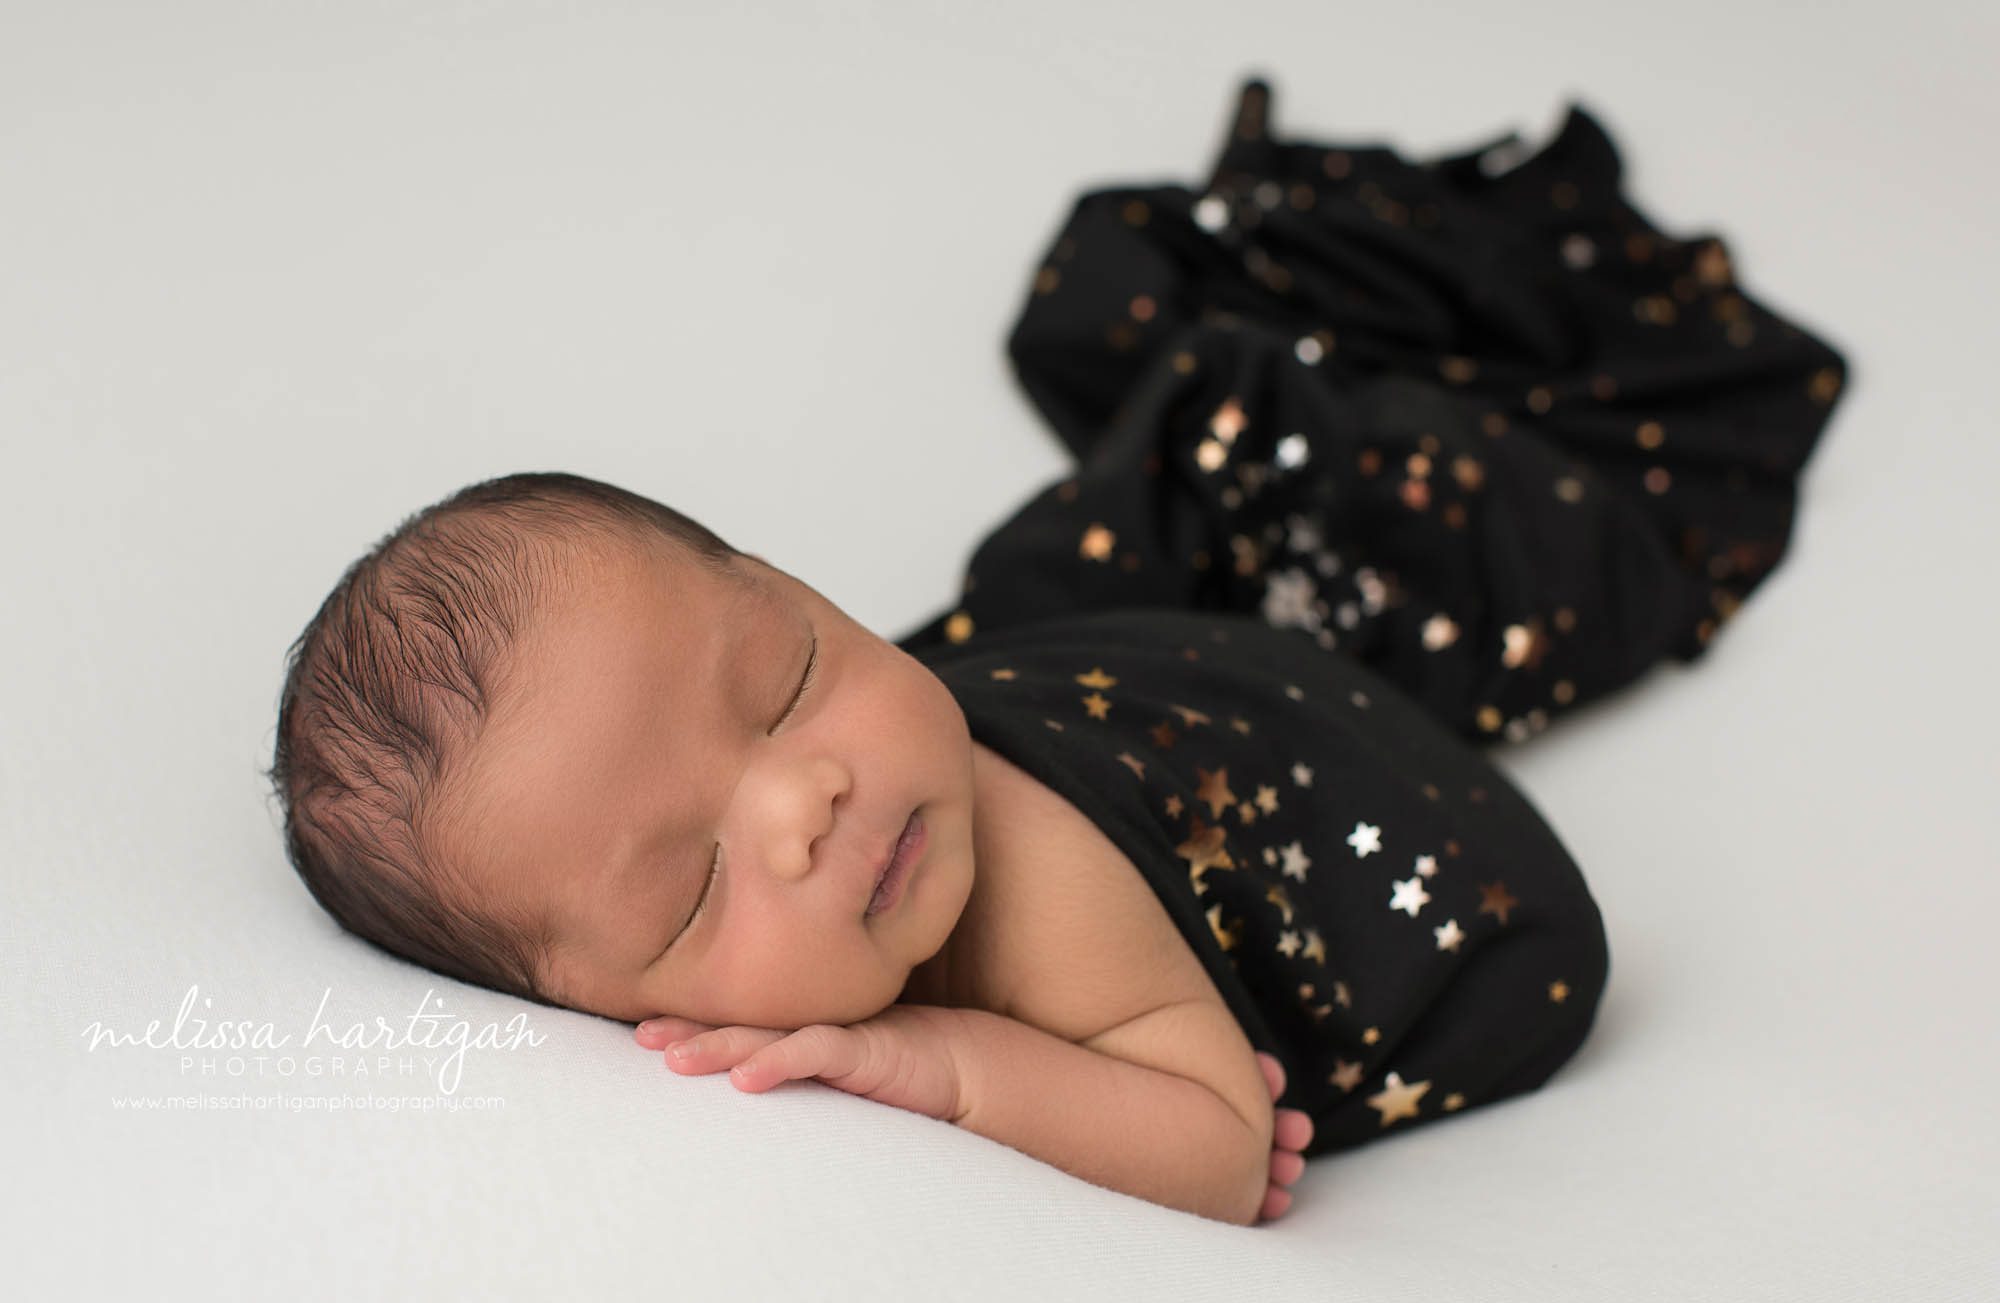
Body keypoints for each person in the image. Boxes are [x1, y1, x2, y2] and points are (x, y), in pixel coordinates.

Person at [267, 78, 1849, 1226]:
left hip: (1409, 868)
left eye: (791, 678)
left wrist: (948, 1064)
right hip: (1163, 710)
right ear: (608, 1014)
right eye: (690, 893)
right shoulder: (860, 819)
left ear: (796, 584)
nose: (802, 802)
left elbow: (1226, 1152)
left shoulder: (1045, 893)